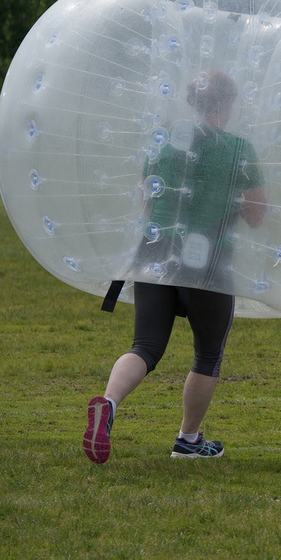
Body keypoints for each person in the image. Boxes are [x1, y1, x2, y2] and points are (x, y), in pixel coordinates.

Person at [83, 70, 266, 463]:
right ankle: (188, 440)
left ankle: (109, 402)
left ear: (193, 102)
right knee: (207, 354)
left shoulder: (163, 143)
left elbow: (148, 197)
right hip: (207, 263)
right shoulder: (238, 149)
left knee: (145, 346)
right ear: (229, 104)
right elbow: (256, 215)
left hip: (154, 255)